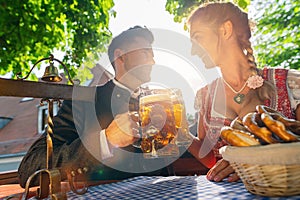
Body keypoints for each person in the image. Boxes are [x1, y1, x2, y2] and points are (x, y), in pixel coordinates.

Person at [18, 26, 168, 188]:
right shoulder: (84, 102)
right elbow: (30, 168)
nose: (152, 61)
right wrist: (106, 140)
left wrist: (182, 137)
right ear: (121, 56)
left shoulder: (156, 106)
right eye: (145, 53)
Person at [185, 2, 300, 182]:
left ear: (225, 30)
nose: (193, 51)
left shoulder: (288, 83)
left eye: (198, 38)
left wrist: (252, 163)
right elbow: (210, 159)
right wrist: (177, 132)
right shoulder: (205, 96)